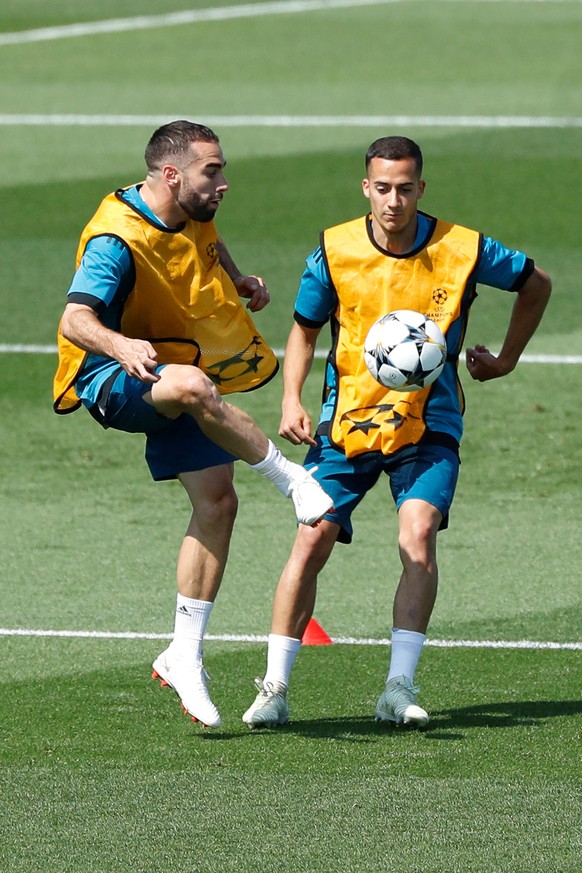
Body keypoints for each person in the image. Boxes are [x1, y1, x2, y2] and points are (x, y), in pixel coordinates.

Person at [242, 135, 551, 729]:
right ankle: (274, 688)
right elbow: (304, 328)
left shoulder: (462, 248)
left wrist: (507, 358)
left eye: (405, 189)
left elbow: (538, 284)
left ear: (421, 189)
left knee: (418, 535)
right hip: (348, 422)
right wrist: (290, 399)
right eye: (382, 188)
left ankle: (398, 688)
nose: (393, 201)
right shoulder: (334, 249)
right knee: (311, 540)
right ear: (366, 187)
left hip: (428, 423)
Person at [53, 120, 333, 729]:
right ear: (172, 174)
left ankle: (184, 653)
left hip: (166, 362)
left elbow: (207, 239)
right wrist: (120, 346)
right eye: (213, 171)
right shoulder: (116, 239)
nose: (224, 183)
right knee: (192, 384)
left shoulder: (189, 206)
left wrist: (236, 278)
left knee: (217, 502)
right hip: (109, 375)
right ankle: (292, 481)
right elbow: (76, 319)